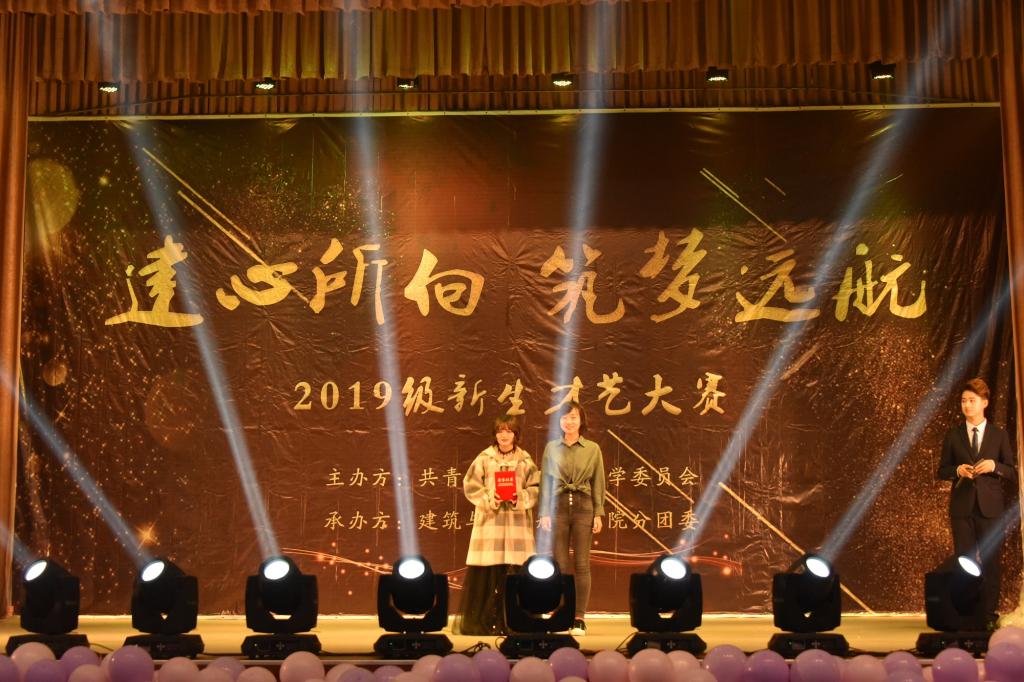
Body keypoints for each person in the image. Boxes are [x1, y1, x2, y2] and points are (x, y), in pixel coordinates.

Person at [937, 377, 1017, 627]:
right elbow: (942, 470)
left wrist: (994, 466)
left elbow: (1012, 471)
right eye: (963, 401)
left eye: (972, 400)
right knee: (964, 561)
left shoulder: (998, 435)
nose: (967, 405)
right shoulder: (953, 435)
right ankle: (966, 613)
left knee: (991, 561)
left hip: (990, 508)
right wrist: (957, 470)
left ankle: (989, 614)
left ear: (985, 403)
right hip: (962, 508)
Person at [455, 414, 540, 635]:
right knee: (487, 576)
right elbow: (470, 485)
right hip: (490, 525)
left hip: (516, 526)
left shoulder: (525, 460)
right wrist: (490, 497)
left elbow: (536, 488)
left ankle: (515, 622)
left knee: (515, 575)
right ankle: (482, 623)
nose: (504, 435)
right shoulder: (484, 458)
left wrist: (518, 497)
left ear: (515, 435)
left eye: (509, 431)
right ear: (495, 434)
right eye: (501, 430)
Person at [538, 401, 605, 636]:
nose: (569, 421)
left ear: (581, 421)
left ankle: (579, 618)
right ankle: (561, 613)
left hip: (583, 508)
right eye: (565, 417)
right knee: (560, 564)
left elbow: (598, 482)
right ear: (559, 422)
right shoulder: (551, 448)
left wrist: (598, 512)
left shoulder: (592, 449)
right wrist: (544, 512)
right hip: (557, 509)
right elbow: (545, 482)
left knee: (582, 564)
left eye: (574, 417)